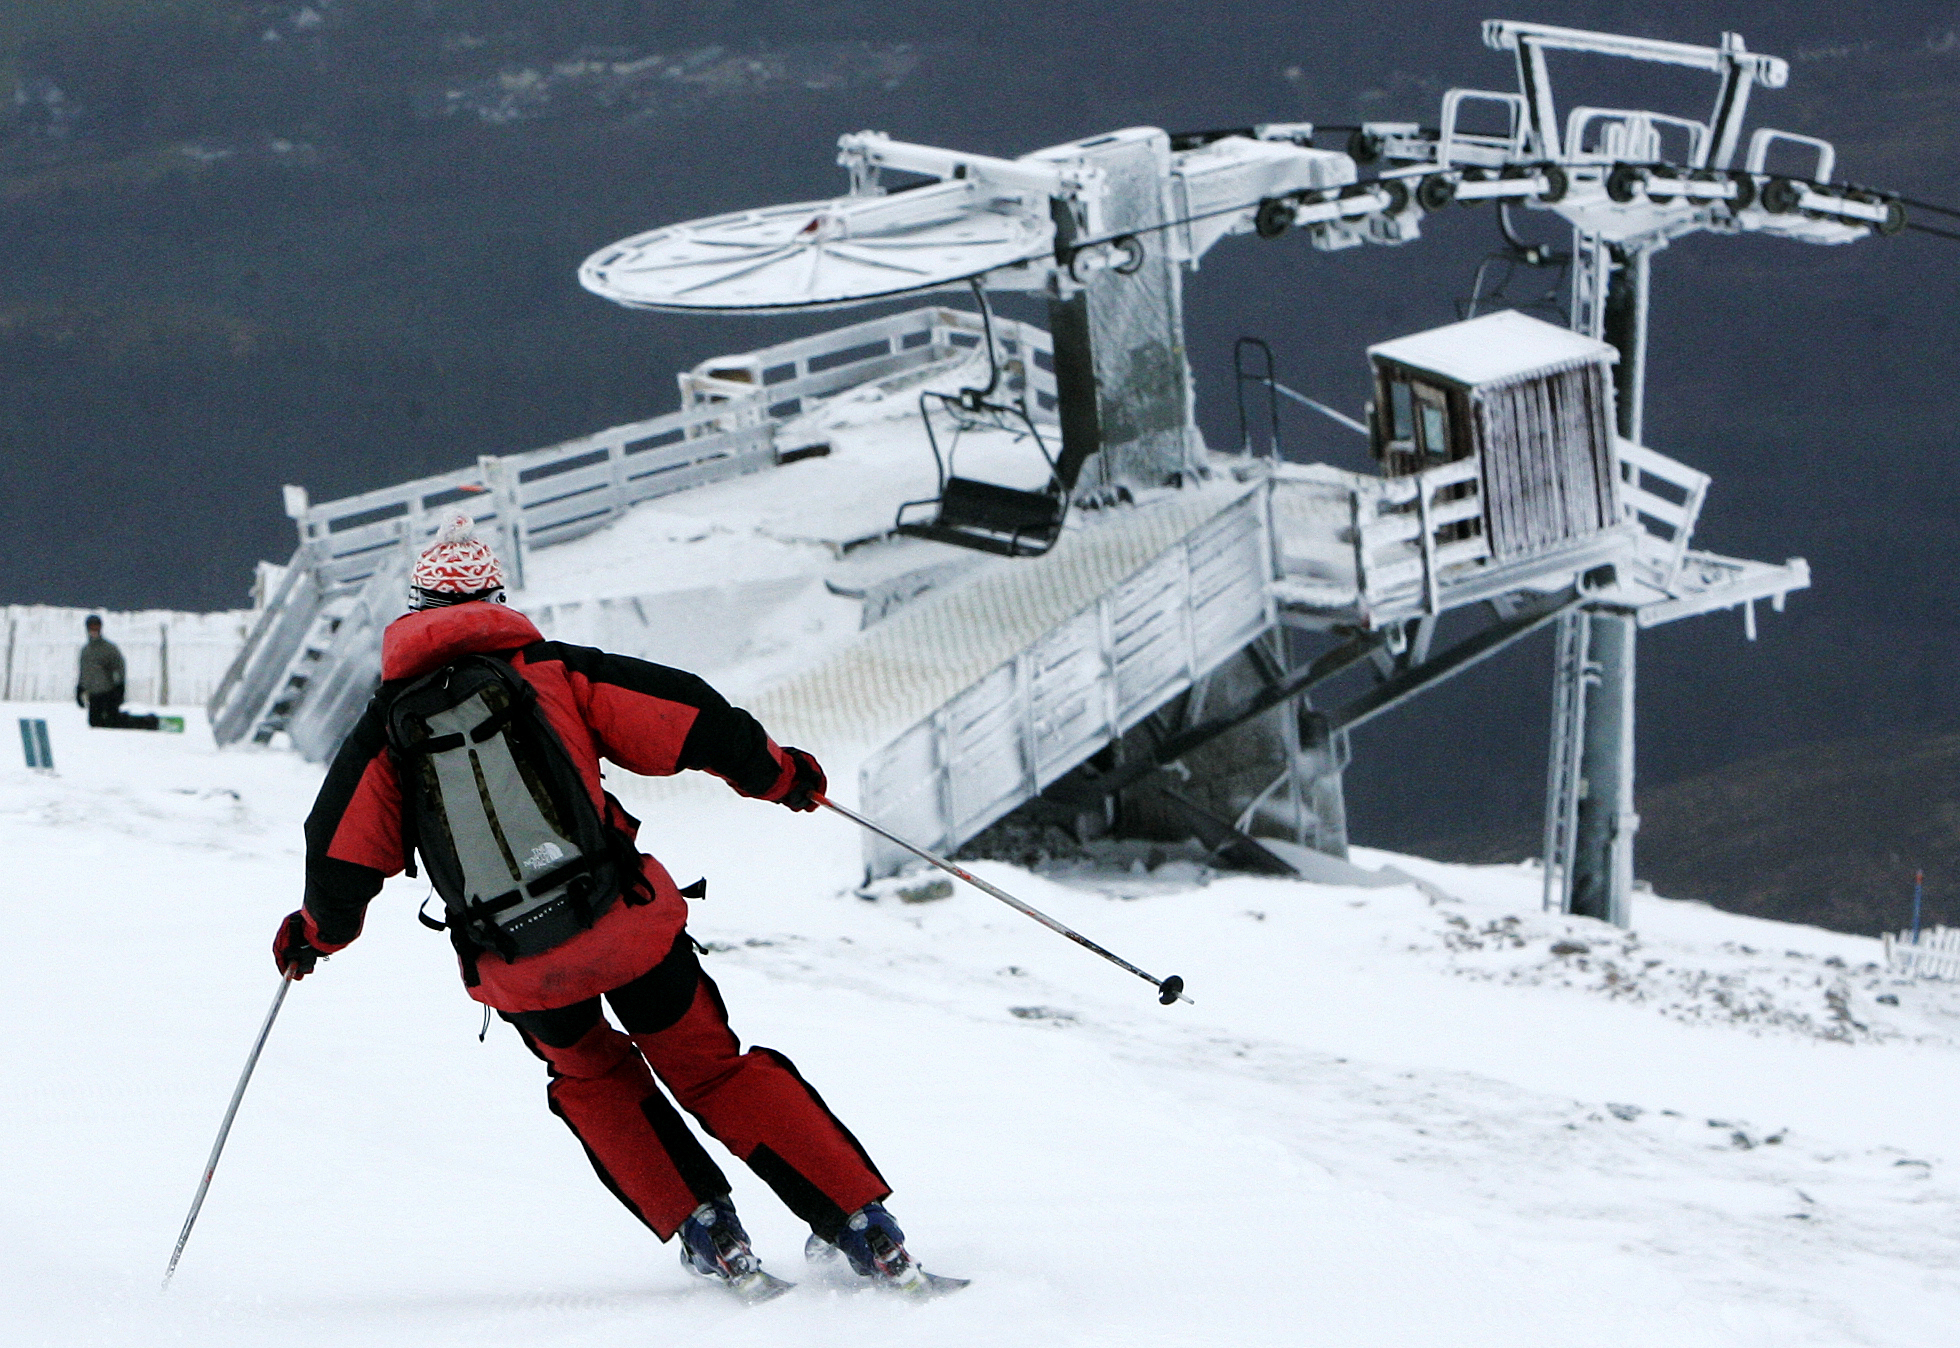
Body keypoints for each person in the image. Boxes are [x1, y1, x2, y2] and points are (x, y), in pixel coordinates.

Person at [271, 515, 939, 1297]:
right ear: (495, 595)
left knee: (593, 1081)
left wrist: (315, 936)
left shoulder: (385, 729)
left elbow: (341, 853)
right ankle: (862, 1227)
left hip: (519, 967)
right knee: (713, 1072)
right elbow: (688, 717)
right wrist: (779, 775)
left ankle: (709, 1232)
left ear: (414, 608)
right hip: (625, 926)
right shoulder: (551, 672)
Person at [76, 615, 159, 730]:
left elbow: (119, 668)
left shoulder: (108, 648)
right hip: (94, 695)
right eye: (92, 627)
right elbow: (84, 672)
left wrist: (119, 687)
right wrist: (80, 688)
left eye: (96, 627)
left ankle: (147, 722)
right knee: (95, 723)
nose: (94, 630)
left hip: (108, 692)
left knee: (112, 722)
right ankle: (130, 719)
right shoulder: (85, 651)